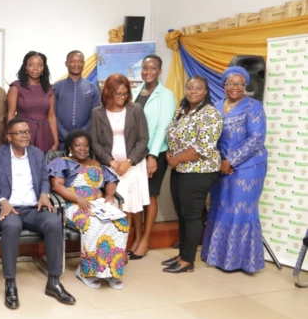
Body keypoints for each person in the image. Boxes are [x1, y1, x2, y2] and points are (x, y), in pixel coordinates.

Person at [0, 118, 75, 309]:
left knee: (54, 222)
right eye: (19, 132)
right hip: (9, 209)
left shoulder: (37, 154)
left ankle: (54, 282)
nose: (25, 136)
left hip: (34, 209)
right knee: (12, 225)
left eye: (27, 132)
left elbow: (44, 179)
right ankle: (10, 283)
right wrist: (3, 201)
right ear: (9, 137)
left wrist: (44, 194)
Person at [202, 66, 267, 273]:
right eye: (231, 83)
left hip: (248, 167)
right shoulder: (215, 106)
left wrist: (231, 161)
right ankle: (217, 256)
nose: (235, 87)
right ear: (224, 85)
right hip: (221, 166)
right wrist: (220, 161)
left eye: (240, 83)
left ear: (245, 86)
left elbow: (256, 139)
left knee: (240, 211)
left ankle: (242, 261)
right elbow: (209, 137)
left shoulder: (253, 106)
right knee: (220, 208)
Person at [48, 130, 128, 289]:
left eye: (85, 145)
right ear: (70, 147)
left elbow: (111, 180)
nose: (82, 148)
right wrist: (78, 198)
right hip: (73, 204)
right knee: (93, 223)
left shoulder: (96, 163)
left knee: (120, 222)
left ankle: (112, 271)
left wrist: (109, 196)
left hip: (98, 204)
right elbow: (56, 186)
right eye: (78, 145)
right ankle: (86, 271)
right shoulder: (62, 162)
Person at [164, 75, 222, 273]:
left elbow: (202, 148)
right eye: (190, 88)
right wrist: (170, 153)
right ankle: (182, 255)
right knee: (182, 214)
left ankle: (188, 260)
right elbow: (173, 135)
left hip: (198, 171)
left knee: (191, 215)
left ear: (205, 92)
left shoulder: (210, 113)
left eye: (198, 88)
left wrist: (176, 159)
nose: (193, 91)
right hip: (180, 169)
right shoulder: (182, 110)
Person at [90, 73, 150, 250]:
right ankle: (118, 246)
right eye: (118, 94)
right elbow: (95, 142)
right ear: (108, 92)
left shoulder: (135, 109)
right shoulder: (97, 112)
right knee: (117, 205)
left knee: (133, 205)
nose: (122, 97)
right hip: (111, 168)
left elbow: (143, 139)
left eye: (125, 93)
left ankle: (135, 242)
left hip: (133, 165)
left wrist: (128, 162)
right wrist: (112, 162)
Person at [128, 55, 176, 259]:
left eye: (153, 68)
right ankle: (137, 238)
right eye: (145, 68)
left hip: (154, 153)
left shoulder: (166, 95)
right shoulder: (135, 92)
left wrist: (153, 156)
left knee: (149, 195)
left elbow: (163, 127)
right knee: (136, 196)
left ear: (160, 71)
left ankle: (146, 240)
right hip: (135, 153)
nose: (148, 72)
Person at [7, 51, 59, 153]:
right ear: (25, 67)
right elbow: (11, 114)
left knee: (42, 161)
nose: (35, 68)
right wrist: (9, 134)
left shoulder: (48, 89)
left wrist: (56, 141)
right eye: (31, 65)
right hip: (23, 133)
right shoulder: (16, 87)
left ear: (44, 68)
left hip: (44, 133)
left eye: (39, 65)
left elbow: (51, 116)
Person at [54, 50, 100, 150]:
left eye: (79, 61)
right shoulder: (57, 87)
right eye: (73, 61)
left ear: (83, 63)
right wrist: (65, 134)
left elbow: (95, 115)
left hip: (85, 141)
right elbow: (52, 114)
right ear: (66, 63)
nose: (76, 64)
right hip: (62, 140)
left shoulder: (92, 87)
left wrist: (81, 134)